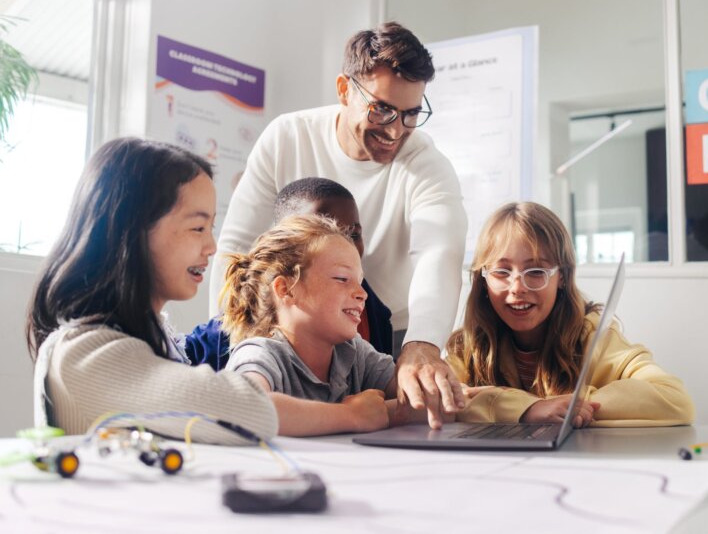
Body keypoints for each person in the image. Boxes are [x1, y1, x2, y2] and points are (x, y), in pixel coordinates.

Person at [212, 22, 467, 428]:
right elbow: (238, 242)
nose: (395, 129)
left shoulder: (427, 165)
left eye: (411, 114)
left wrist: (422, 345)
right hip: (296, 327)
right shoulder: (287, 136)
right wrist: (236, 340)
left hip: (398, 334)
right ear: (345, 90)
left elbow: (440, 253)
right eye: (382, 108)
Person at [26, 137, 278, 444]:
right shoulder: (85, 352)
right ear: (132, 231)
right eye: (197, 228)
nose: (211, 247)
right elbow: (252, 412)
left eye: (211, 228)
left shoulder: (151, 334)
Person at [446, 202, 695, 427]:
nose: (517, 287)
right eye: (501, 272)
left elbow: (675, 399)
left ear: (562, 277)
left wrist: (569, 406)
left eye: (535, 271)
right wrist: (528, 409)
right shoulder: (467, 346)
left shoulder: (592, 335)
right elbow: (436, 403)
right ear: (483, 279)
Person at [220, 214, 421, 436]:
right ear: (286, 289)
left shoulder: (353, 351)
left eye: (360, 281)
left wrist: (457, 398)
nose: (362, 293)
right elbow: (246, 408)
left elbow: (414, 397)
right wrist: (351, 415)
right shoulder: (260, 354)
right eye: (342, 279)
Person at [184, 177, 393, 368]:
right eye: (320, 230)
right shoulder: (243, 345)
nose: (343, 243)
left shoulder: (373, 318)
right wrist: (349, 412)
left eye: (353, 234)